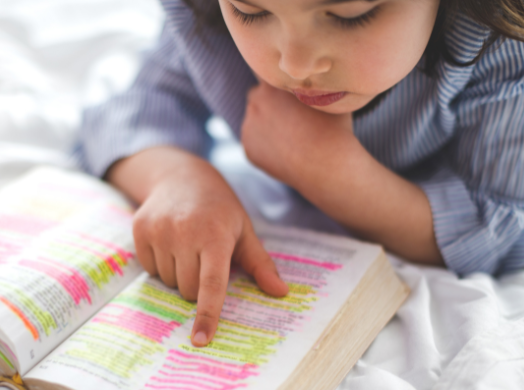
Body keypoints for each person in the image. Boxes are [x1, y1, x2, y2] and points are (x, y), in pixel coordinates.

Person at [78, 0, 524, 346]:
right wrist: (175, 177)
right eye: (251, 11)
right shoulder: (203, 10)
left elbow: (500, 226)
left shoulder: (503, 38)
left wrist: (331, 175)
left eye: (349, 15)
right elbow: (133, 106)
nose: (295, 65)